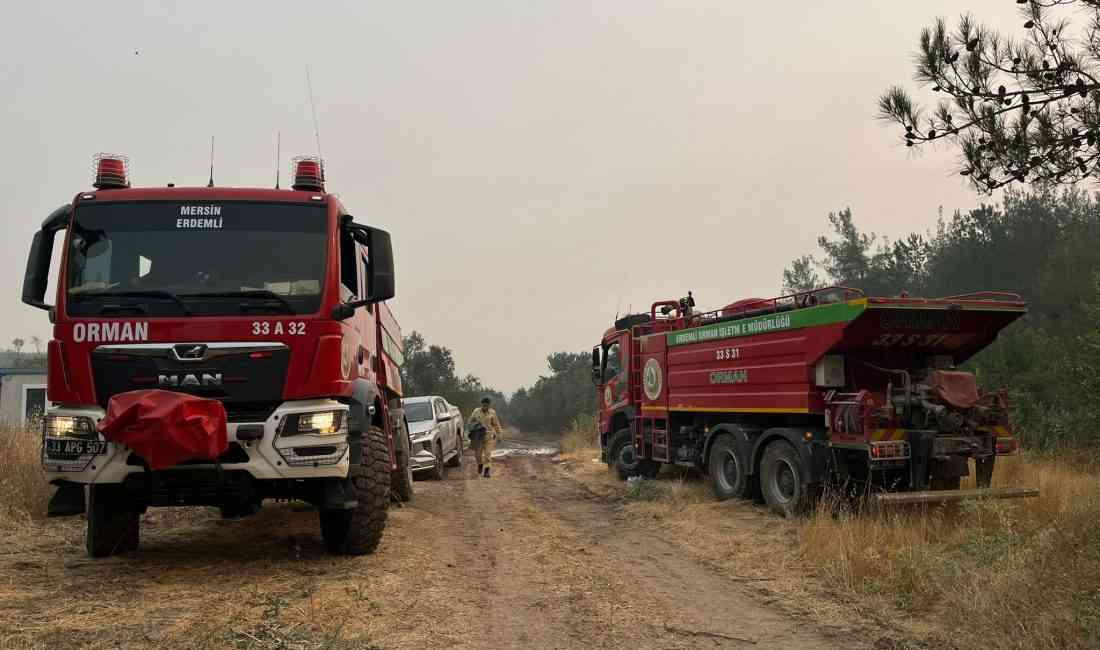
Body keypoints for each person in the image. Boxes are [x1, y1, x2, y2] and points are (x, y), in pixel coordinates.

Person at [467, 396, 503, 478]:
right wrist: (474, 427)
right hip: (478, 436)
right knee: (478, 455)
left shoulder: (492, 413)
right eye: (483, 404)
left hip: (488, 436)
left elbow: (496, 425)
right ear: (481, 404)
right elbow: (469, 422)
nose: (485, 406)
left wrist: (499, 435)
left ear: (489, 405)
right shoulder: (476, 411)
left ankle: (487, 471)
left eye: (487, 405)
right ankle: (480, 464)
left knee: (487, 454)